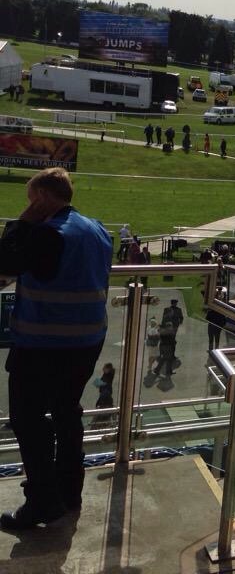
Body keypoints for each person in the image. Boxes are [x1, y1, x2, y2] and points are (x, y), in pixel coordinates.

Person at [0, 167, 112, 529]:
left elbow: (6, 261)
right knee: (66, 413)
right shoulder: (97, 229)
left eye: (31, 200)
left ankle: (42, 501)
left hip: (44, 343)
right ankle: (69, 491)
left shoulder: (48, 233)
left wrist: (22, 222)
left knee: (27, 419)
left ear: (43, 198)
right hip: (87, 340)